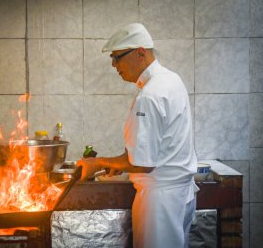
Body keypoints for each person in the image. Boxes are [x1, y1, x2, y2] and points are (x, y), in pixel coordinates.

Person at [77, 23, 199, 248]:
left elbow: (143, 163)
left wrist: (97, 162)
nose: (114, 65)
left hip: (160, 201)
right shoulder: (172, 79)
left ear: (140, 52)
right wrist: (121, 164)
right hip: (181, 195)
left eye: (117, 57)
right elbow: (155, 146)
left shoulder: (150, 95)